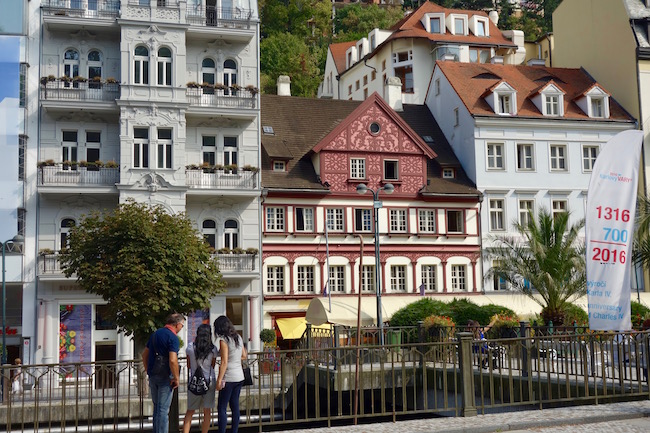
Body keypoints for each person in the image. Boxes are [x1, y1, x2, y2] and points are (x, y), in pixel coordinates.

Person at [142, 313, 184, 433]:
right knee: (163, 410)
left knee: (157, 408)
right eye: (182, 325)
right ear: (177, 324)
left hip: (153, 375)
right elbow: (172, 360)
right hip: (166, 377)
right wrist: (176, 377)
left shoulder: (155, 334)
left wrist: (148, 370)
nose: (182, 328)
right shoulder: (173, 338)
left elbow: (144, 354)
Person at [214, 315, 248, 433]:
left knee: (222, 407)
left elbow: (224, 362)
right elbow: (244, 355)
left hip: (229, 377)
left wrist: (219, 380)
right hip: (239, 376)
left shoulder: (224, 340)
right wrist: (235, 359)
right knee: (235, 406)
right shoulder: (237, 337)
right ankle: (234, 431)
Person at [182, 324, 218, 433]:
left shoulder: (190, 347)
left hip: (194, 381)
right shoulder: (213, 349)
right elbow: (213, 365)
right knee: (207, 411)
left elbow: (188, 365)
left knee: (190, 411)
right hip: (209, 380)